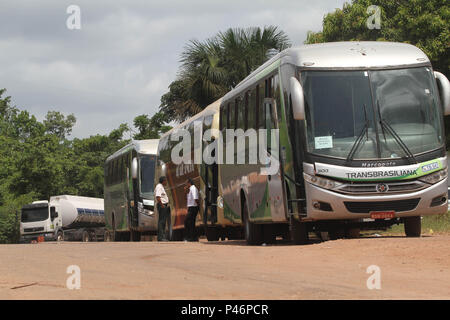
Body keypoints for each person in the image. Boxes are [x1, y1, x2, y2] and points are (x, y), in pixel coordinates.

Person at [155, 176, 170, 241]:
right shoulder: (159, 187)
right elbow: (158, 197)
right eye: (165, 181)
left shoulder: (161, 187)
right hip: (162, 205)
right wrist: (162, 205)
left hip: (163, 205)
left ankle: (161, 237)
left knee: (163, 221)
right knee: (162, 222)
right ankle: (161, 237)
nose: (166, 182)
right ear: (163, 181)